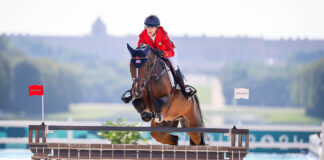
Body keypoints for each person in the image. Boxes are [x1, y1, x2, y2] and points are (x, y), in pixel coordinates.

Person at [137, 15, 196, 99]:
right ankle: (136, 89)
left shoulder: (163, 35)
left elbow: (171, 52)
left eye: (152, 27)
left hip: (167, 52)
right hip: (153, 55)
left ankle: (184, 88)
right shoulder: (142, 35)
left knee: (174, 66)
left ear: (157, 28)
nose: (149, 30)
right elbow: (139, 49)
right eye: (148, 27)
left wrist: (162, 53)